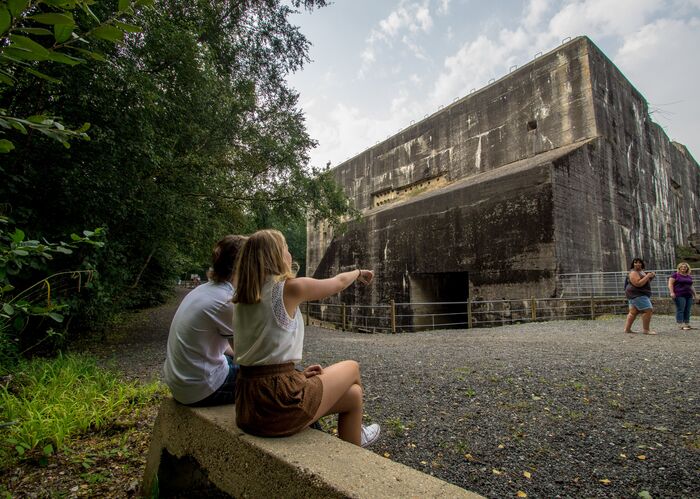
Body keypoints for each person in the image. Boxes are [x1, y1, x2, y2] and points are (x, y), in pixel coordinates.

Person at [232, 229, 380, 447]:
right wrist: (358, 272)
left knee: (354, 395)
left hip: (248, 403)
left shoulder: (242, 298)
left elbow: (262, 354)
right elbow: (338, 282)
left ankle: (355, 442)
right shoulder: (289, 288)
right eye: (286, 248)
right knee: (352, 367)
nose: (289, 253)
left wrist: (295, 376)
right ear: (276, 255)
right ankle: (357, 436)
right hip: (277, 403)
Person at [163, 235, 247, 406]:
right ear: (242, 265)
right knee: (274, 383)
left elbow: (229, 349)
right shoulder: (226, 300)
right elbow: (246, 355)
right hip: (202, 388)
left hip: (180, 382)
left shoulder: (205, 290)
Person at [623, 257, 656, 335]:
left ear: (642, 264)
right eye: (635, 262)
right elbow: (638, 284)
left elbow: (644, 282)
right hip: (637, 294)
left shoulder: (641, 272)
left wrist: (651, 277)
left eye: (639, 262)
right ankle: (646, 330)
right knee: (648, 310)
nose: (637, 264)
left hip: (635, 294)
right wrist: (647, 276)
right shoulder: (633, 272)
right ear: (633, 264)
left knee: (633, 312)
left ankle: (627, 329)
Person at [668, 261, 696, 330]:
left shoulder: (689, 276)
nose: (684, 268)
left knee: (688, 310)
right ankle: (680, 324)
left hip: (688, 295)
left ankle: (687, 323)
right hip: (679, 294)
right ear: (679, 268)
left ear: (687, 268)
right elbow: (670, 284)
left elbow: (691, 286)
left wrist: (695, 295)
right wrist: (672, 292)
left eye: (685, 267)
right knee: (681, 309)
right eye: (682, 267)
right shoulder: (675, 275)